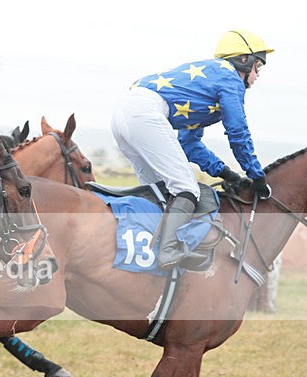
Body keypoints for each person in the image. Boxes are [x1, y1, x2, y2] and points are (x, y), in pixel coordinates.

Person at [111, 29, 274, 269]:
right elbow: (238, 133)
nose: (258, 74)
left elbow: (189, 144)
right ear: (244, 60)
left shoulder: (207, 81)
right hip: (145, 113)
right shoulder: (230, 78)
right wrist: (256, 176)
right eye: (258, 67)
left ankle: (143, 250)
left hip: (126, 114)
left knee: (160, 192)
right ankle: (168, 251)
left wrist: (225, 173)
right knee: (186, 188)